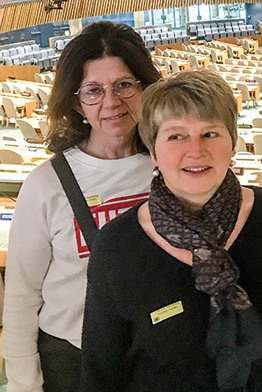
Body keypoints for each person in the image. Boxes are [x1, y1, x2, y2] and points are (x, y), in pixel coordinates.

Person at [80, 69, 262, 391]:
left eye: (210, 133)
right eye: (176, 136)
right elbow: (102, 371)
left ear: (232, 143)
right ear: (154, 152)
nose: (195, 150)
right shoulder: (118, 246)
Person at [2, 21, 161, 392]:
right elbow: (23, 296)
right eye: (93, 90)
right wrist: (25, 383)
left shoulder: (169, 166)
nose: (111, 102)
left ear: (145, 88)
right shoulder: (47, 184)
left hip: (155, 352)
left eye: (124, 85)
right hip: (73, 361)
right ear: (76, 102)